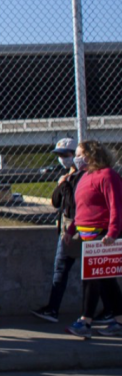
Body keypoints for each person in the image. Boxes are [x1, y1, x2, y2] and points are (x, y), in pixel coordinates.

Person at [65, 140, 122, 338]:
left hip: (102, 235)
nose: (76, 157)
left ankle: (85, 321)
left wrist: (112, 233)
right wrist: (70, 229)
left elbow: (116, 206)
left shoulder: (107, 175)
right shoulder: (85, 176)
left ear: (91, 155)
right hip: (85, 234)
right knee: (105, 280)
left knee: (92, 279)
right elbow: (82, 208)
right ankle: (119, 320)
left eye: (80, 153)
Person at [31, 137, 84, 323]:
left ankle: (98, 312)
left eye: (66, 154)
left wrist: (65, 185)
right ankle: (53, 308)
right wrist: (61, 184)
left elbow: (74, 204)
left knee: (85, 273)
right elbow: (56, 202)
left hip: (78, 227)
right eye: (59, 155)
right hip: (66, 227)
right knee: (60, 269)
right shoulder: (68, 176)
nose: (62, 158)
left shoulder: (83, 177)